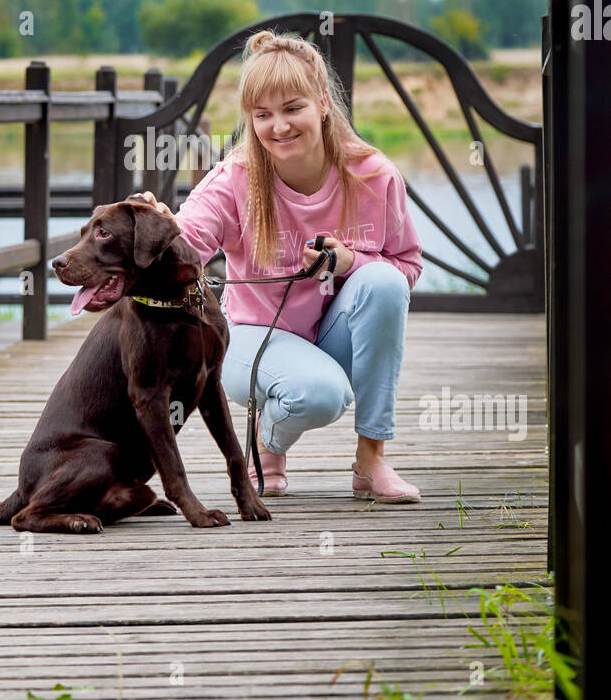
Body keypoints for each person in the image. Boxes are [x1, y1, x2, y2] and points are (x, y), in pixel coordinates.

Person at [140, 29, 423, 502]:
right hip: (250, 335)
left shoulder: (374, 175)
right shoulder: (235, 179)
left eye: (293, 108)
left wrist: (349, 260)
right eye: (262, 115)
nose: (279, 127)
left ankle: (371, 461)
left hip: (331, 336)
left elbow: (406, 268)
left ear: (324, 104)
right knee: (320, 395)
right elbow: (187, 240)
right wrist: (158, 226)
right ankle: (265, 442)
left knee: (384, 284)